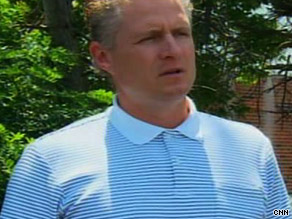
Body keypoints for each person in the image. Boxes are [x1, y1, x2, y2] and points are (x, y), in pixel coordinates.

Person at [1, 0, 291, 218]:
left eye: (180, 33)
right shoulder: (50, 160)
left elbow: (279, 214)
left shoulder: (249, 147)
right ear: (103, 57)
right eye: (150, 38)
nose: (172, 50)